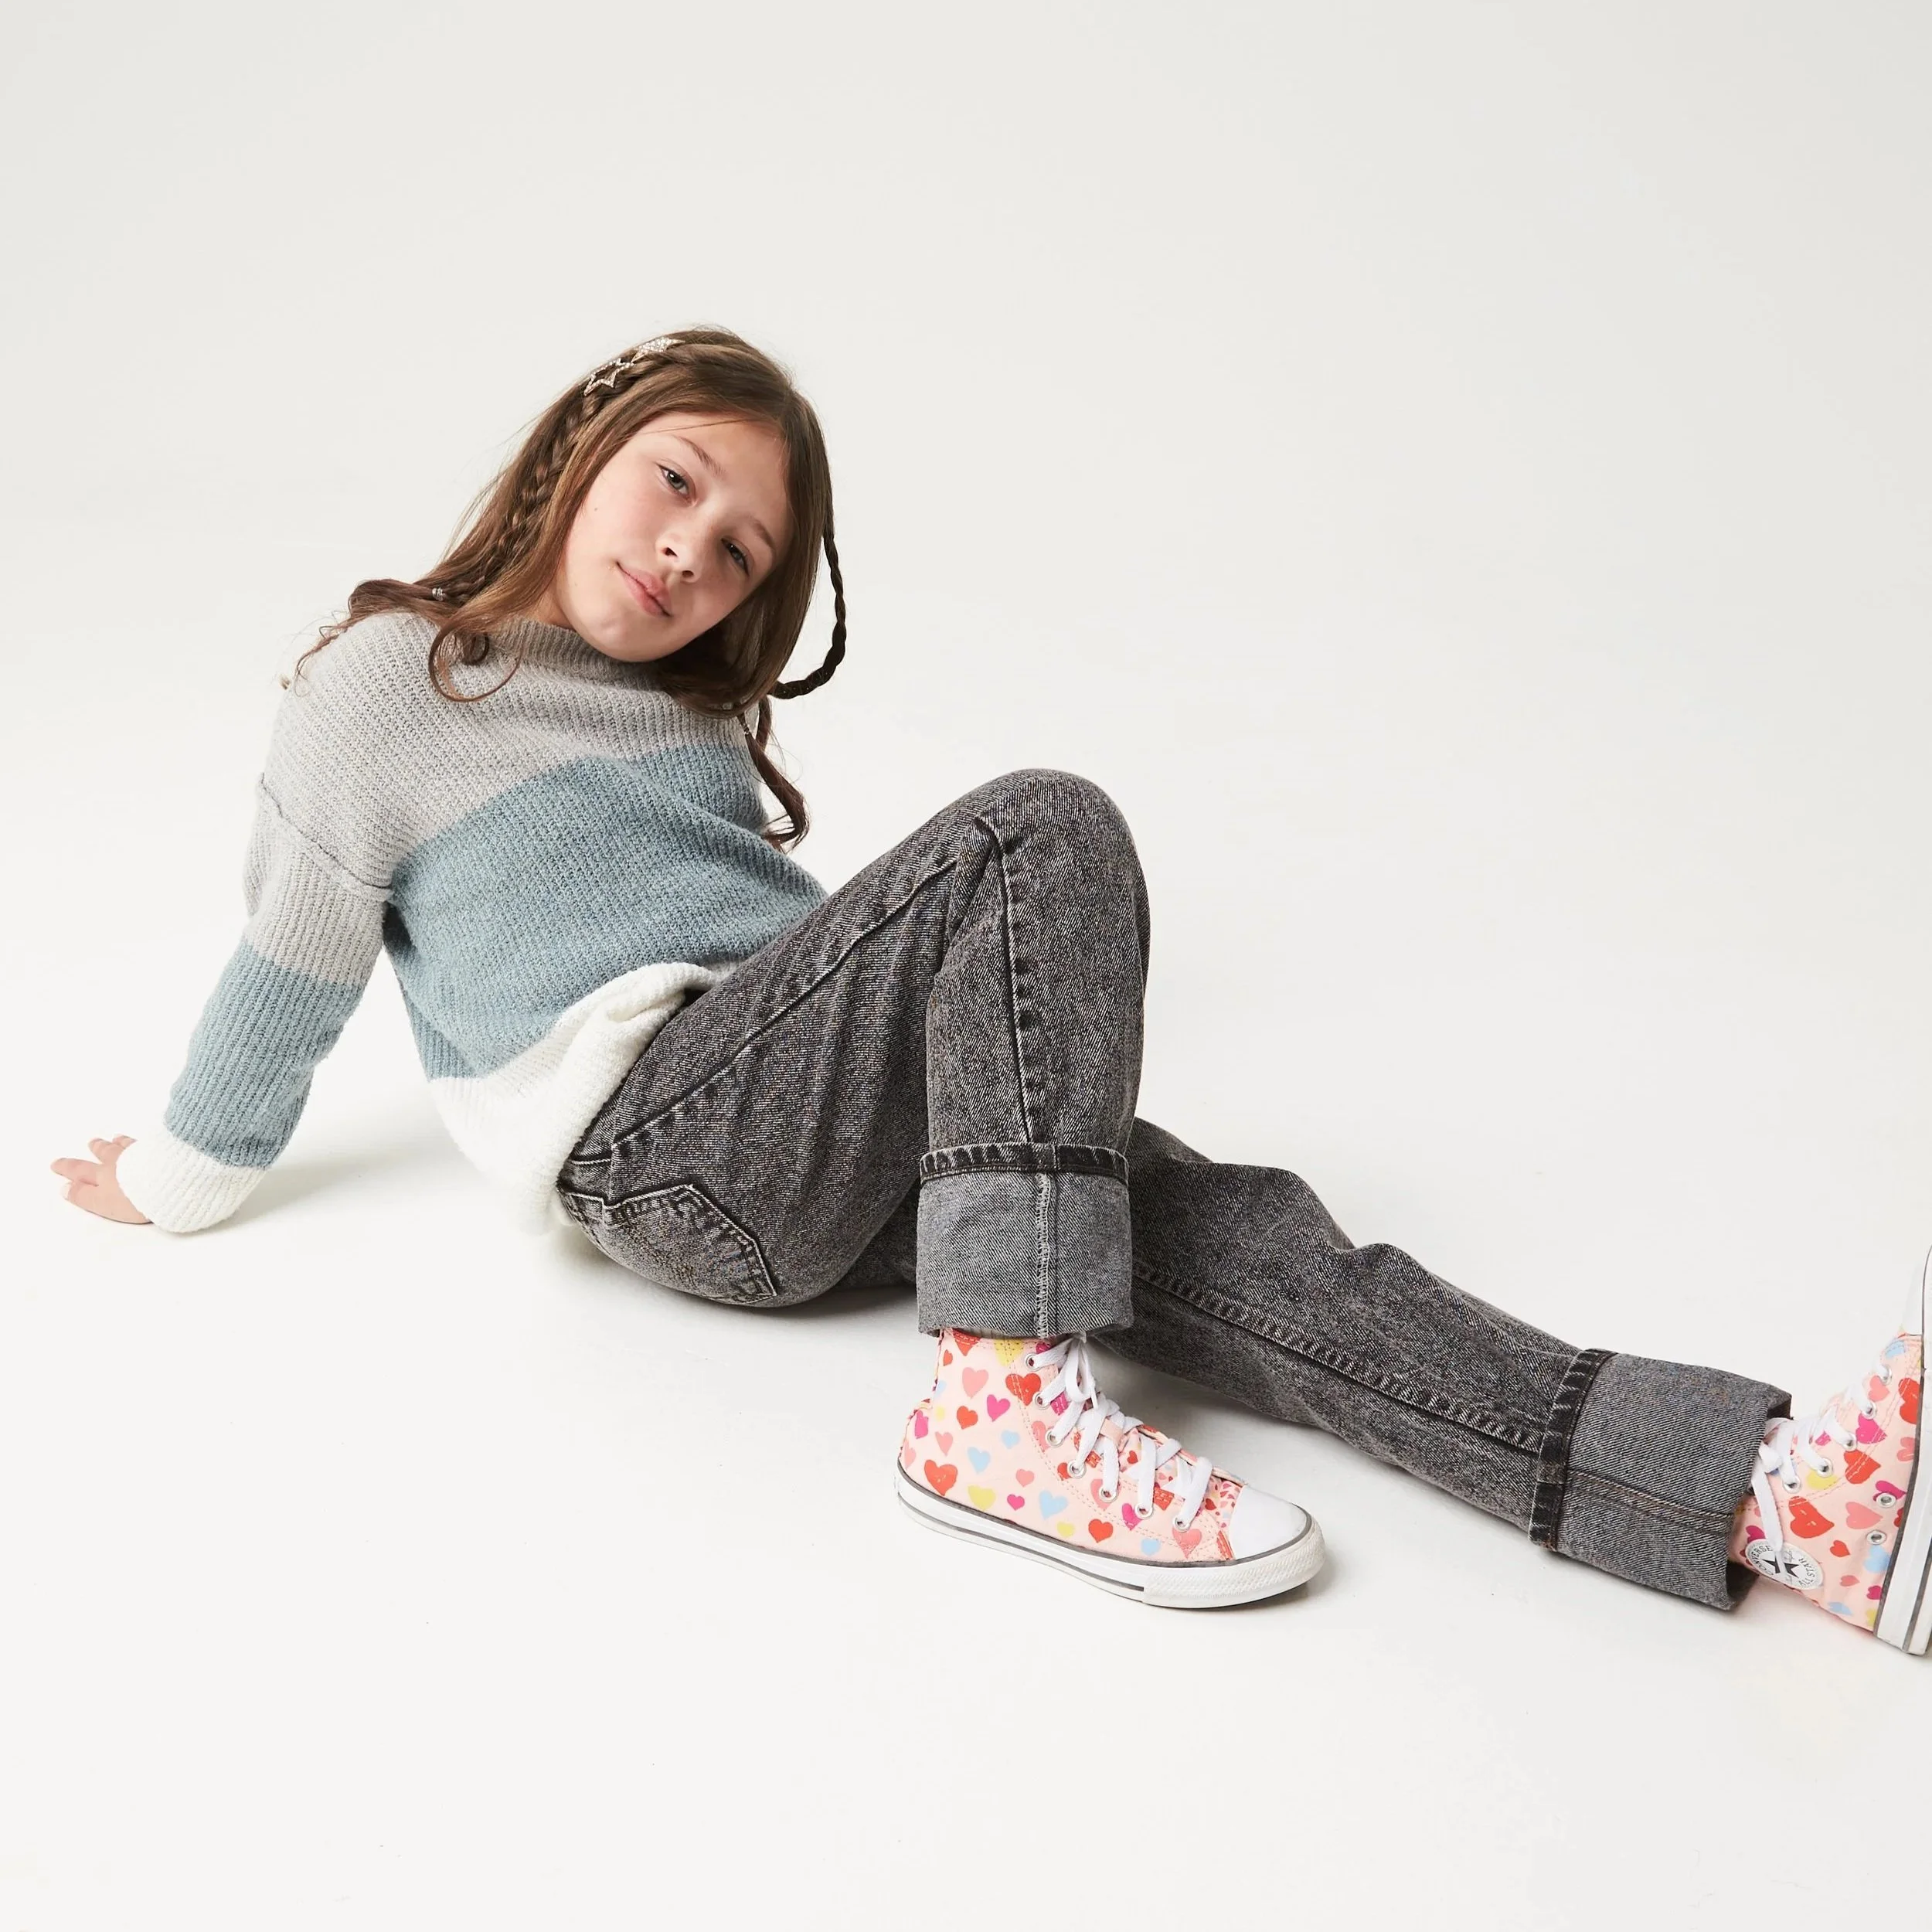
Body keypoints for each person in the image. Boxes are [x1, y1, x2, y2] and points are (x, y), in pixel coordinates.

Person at [50, 325, 1927, 1648]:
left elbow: (816, 957)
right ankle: (1003, 1403)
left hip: (797, 1109)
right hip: (664, 1142)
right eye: (674, 481)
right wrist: (176, 1174)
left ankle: (1767, 1499)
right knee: (1040, 828)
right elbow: (285, 965)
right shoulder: (397, 684)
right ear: (581, 446)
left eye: (736, 550)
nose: (687, 548)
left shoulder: (687, 722)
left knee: (1269, 1254)